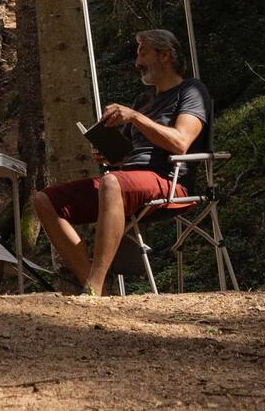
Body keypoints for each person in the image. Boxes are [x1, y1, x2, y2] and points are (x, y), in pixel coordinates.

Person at [33, 28, 212, 296]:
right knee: (45, 200)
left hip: (169, 181)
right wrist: (110, 153)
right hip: (124, 181)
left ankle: (93, 286)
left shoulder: (191, 90)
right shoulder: (144, 100)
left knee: (112, 182)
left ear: (165, 55)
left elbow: (180, 142)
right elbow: (127, 155)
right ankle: (96, 289)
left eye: (143, 53)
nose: (137, 62)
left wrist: (134, 117)